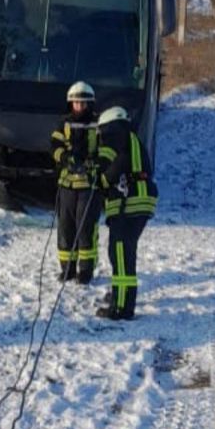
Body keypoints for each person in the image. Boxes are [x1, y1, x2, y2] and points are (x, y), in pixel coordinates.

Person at [95, 106, 158, 320]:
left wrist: (102, 179)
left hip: (130, 204)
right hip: (138, 201)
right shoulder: (131, 138)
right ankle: (119, 297)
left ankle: (121, 308)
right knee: (120, 253)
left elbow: (116, 164)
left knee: (121, 254)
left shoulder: (117, 135)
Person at [50, 81, 101, 284]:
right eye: (76, 103)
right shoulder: (64, 123)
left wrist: (91, 163)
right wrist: (66, 159)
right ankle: (67, 269)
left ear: (89, 103)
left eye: (83, 103)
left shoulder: (98, 124)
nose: (79, 106)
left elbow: (105, 150)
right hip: (67, 186)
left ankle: (86, 271)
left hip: (89, 186)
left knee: (86, 229)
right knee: (65, 228)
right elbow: (54, 146)